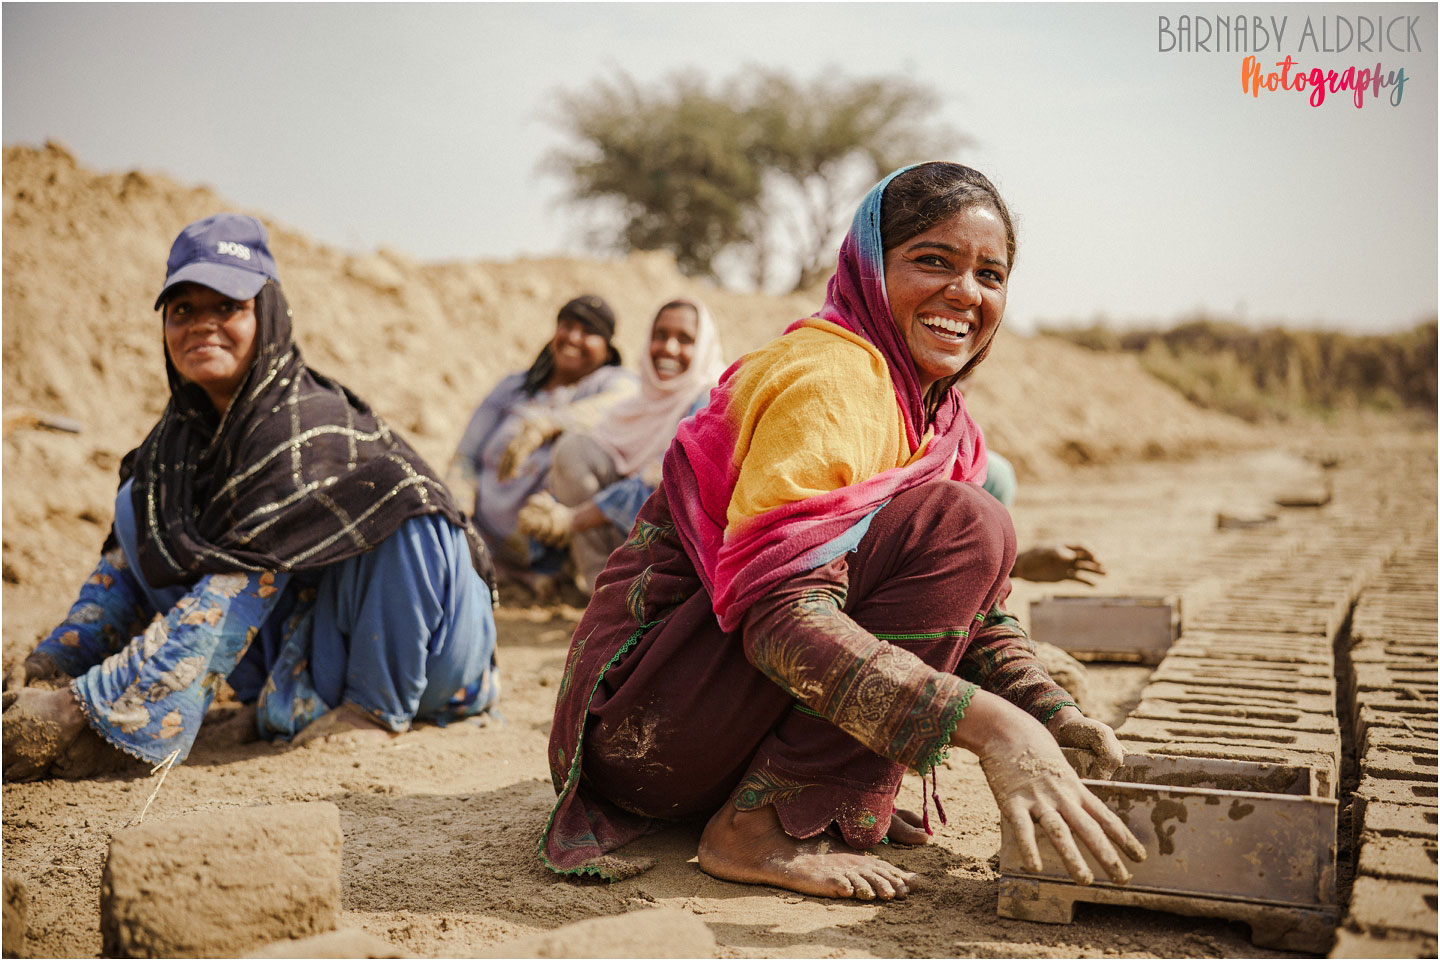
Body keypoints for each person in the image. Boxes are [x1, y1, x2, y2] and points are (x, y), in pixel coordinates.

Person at [538, 163, 1145, 899]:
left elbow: (971, 614)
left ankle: (803, 790)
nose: (965, 293)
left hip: (706, 727)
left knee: (971, 529)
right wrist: (994, 729)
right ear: (868, 265)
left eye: (991, 274)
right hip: (641, 728)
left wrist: (1049, 711)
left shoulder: (940, 417)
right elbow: (779, 619)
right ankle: (761, 824)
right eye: (933, 261)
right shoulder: (831, 380)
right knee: (967, 522)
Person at [2, 214, 500, 781]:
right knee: (136, 500)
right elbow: (121, 578)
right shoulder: (173, 449)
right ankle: (287, 699)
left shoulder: (310, 429)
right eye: (183, 309)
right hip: (311, 648)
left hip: (425, 659)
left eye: (227, 307)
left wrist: (75, 707)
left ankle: (372, 713)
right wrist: (51, 663)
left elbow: (238, 585)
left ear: (266, 317)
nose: (202, 326)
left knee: (397, 494)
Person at [516, 298, 726, 593]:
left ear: (704, 346)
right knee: (573, 448)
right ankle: (602, 590)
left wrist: (572, 519)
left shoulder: (711, 403)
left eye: (685, 339)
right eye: (661, 335)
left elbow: (663, 485)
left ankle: (640, 597)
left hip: (686, 554)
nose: (669, 348)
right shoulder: (639, 404)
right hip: (634, 536)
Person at [451, 296, 636, 595]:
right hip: (484, 534)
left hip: (547, 537)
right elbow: (466, 456)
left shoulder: (609, 382)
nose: (574, 337)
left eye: (588, 331)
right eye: (567, 326)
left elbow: (626, 399)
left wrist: (546, 425)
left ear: (606, 347)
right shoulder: (515, 386)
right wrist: (458, 514)